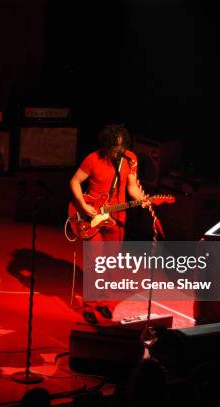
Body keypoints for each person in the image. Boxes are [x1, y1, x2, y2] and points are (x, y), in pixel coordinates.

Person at [69, 124, 147, 323]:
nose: (118, 150)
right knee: (95, 262)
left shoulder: (130, 159)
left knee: (109, 263)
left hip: (117, 217)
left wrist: (144, 199)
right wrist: (84, 206)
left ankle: (102, 303)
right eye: (115, 146)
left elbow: (132, 188)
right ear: (106, 144)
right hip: (93, 216)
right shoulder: (93, 159)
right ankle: (89, 306)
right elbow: (75, 181)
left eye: (121, 146)